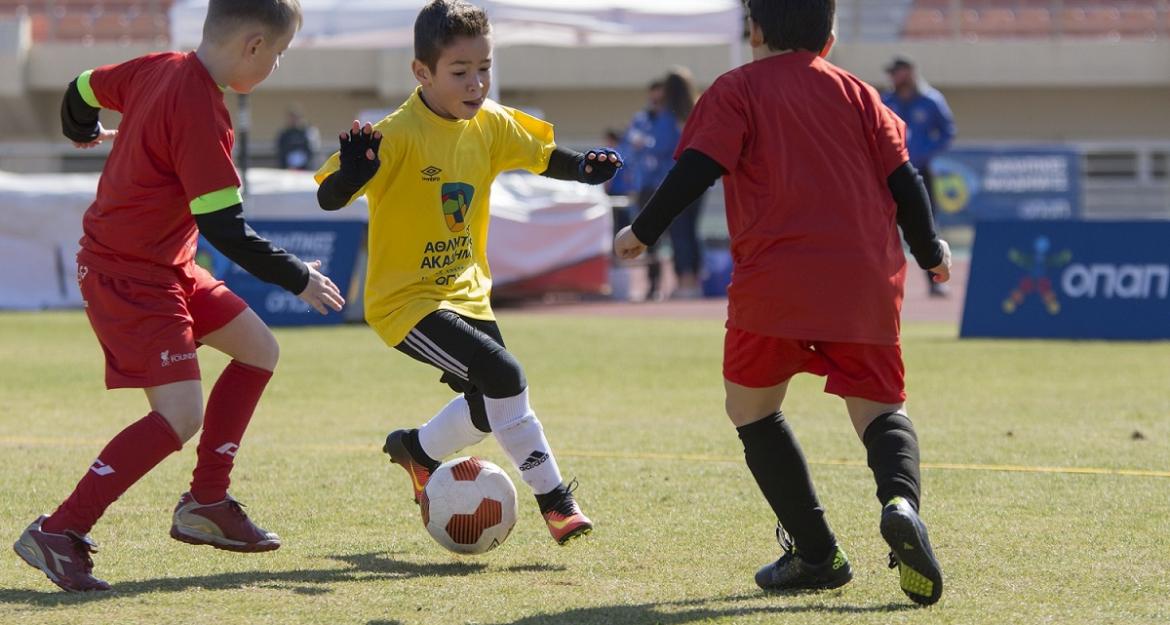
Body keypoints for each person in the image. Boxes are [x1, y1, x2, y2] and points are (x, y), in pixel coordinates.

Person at [615, 0, 950, 606]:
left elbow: (696, 169)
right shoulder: (861, 94)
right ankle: (900, 502)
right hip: (863, 283)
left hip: (773, 284)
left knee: (751, 409)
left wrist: (642, 231)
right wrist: (930, 253)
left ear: (756, 29)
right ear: (830, 35)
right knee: (881, 410)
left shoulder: (737, 89)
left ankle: (817, 552)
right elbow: (906, 181)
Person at [12, 0, 345, 593]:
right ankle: (59, 530)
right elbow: (225, 229)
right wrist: (298, 276)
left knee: (258, 350)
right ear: (252, 45)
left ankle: (206, 502)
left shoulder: (157, 66)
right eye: (277, 54)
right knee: (180, 415)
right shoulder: (200, 110)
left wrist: (81, 130)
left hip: (167, 265)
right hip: (129, 276)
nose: (275, 66)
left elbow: (81, 88)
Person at [314, 0, 622, 545]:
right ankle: (556, 502)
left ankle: (417, 451)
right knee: (505, 376)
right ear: (422, 72)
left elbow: (543, 154)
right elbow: (329, 197)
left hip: (468, 292)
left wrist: (583, 168)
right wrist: (350, 177)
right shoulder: (396, 134)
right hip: (405, 303)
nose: (476, 82)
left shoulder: (491, 122)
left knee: (488, 402)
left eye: (484, 68)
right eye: (460, 71)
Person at [882, 56, 956, 297]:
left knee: (926, 224)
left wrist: (925, 153)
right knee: (882, 226)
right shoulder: (886, 101)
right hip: (888, 172)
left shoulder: (931, 100)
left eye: (897, 72)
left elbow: (947, 131)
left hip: (919, 173)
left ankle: (936, 279)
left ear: (910, 72)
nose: (893, 77)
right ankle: (882, 282)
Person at [659, 68, 705, 299]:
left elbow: (662, 146)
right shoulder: (698, 110)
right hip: (699, 178)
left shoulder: (667, 115)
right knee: (692, 230)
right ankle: (694, 279)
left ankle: (684, 281)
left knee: (679, 231)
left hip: (674, 179)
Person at [622, 79, 668, 300]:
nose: (655, 101)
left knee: (675, 236)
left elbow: (666, 146)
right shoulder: (641, 119)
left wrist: (648, 144)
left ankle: (684, 281)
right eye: (653, 96)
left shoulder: (670, 119)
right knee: (648, 236)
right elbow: (629, 147)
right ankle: (653, 284)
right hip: (644, 186)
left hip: (666, 184)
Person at [276, 105, 320, 170]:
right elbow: (280, 150)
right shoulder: (284, 134)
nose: (293, 120)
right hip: (288, 168)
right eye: (291, 117)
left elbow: (312, 149)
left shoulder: (308, 132)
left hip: (305, 168)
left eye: (296, 117)